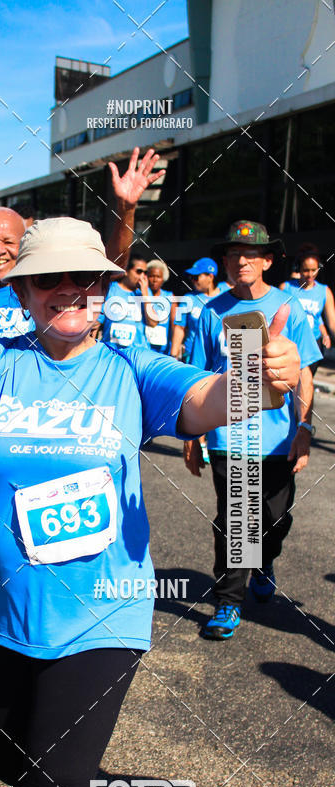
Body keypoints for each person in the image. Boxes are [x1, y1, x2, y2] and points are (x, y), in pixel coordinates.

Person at [0, 216, 300, 787]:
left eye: (85, 277)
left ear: (105, 286)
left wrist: (267, 379)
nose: (67, 290)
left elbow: (214, 397)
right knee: (15, 767)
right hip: (5, 613)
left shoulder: (131, 368)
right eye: (48, 279)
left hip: (103, 616)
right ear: (24, 289)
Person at [0, 141, 163, 575]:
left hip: (43, 415)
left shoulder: (47, 284)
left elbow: (104, 266)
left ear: (25, 247)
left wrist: (125, 208)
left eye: (8, 241)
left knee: (49, 519)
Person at [183, 220, 321, 640]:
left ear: (267, 261)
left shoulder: (288, 307)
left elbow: (305, 374)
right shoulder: (211, 312)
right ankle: (227, 601)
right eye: (232, 254)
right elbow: (196, 377)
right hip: (230, 434)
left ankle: (263, 560)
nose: (240, 260)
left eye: (249, 254)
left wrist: (304, 428)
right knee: (237, 519)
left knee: (275, 519)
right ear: (224, 261)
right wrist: (194, 436)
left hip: (279, 437)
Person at [279, 245, 335, 374]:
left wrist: (327, 335)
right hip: (291, 343)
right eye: (305, 270)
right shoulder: (286, 288)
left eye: (314, 270)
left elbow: (331, 322)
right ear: (299, 269)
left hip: (312, 344)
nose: (310, 275)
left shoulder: (324, 291)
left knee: (307, 382)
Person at [171, 257, 222, 362]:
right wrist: (173, 356)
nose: (192, 280)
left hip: (219, 355)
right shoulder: (188, 298)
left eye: (196, 277)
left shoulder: (225, 296)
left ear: (210, 276)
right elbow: (179, 328)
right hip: (192, 356)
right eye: (191, 277)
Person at [99, 256, 149, 350]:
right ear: (126, 271)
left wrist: (145, 295)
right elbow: (97, 322)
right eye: (139, 271)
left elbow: (153, 323)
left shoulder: (145, 293)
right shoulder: (110, 289)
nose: (142, 276)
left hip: (138, 352)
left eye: (145, 273)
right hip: (111, 350)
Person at [143, 258, 173, 353]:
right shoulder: (141, 294)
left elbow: (174, 326)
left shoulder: (169, 297)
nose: (154, 280)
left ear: (163, 279)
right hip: (144, 347)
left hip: (163, 350)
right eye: (151, 276)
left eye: (158, 277)